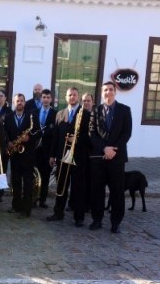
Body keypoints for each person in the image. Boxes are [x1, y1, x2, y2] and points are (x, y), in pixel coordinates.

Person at [88, 81, 132, 233]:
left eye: (111, 89)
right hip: (99, 158)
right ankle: (97, 219)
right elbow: (92, 133)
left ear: (115, 92)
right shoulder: (96, 110)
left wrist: (113, 150)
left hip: (117, 158)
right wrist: (104, 148)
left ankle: (115, 222)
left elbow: (126, 133)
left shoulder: (125, 110)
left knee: (117, 191)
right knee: (97, 190)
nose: (108, 92)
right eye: (105, 90)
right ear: (102, 93)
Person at [47, 87, 89, 227]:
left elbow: (89, 137)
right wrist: (52, 155)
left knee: (78, 188)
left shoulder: (86, 114)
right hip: (62, 156)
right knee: (61, 186)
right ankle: (58, 212)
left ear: (78, 97)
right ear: (66, 97)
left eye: (74, 95)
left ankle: (79, 216)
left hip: (78, 157)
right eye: (69, 95)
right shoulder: (60, 114)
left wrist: (76, 140)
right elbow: (55, 138)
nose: (72, 97)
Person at [4, 94, 40, 218]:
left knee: (28, 183)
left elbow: (38, 132)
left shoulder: (32, 116)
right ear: (13, 103)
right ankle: (16, 205)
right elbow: (5, 133)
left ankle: (26, 210)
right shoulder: (8, 117)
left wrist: (29, 138)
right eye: (17, 101)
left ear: (25, 102)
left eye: (21, 101)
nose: (19, 103)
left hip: (28, 155)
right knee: (16, 182)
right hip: (14, 154)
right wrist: (8, 142)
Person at [34, 89, 56, 208]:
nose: (46, 99)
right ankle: (33, 198)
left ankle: (42, 200)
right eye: (44, 97)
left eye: (48, 97)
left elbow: (55, 133)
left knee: (46, 176)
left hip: (47, 151)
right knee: (34, 175)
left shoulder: (55, 114)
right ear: (41, 98)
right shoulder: (34, 112)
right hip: (35, 150)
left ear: (51, 99)